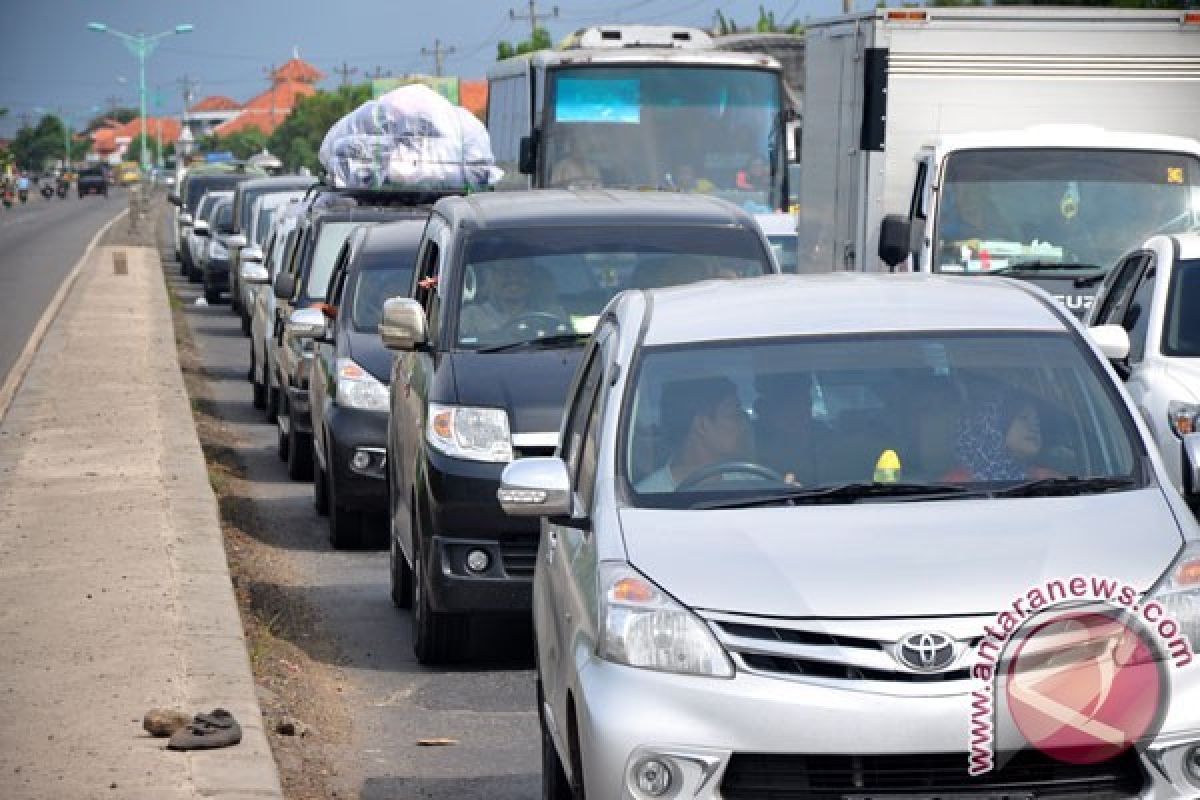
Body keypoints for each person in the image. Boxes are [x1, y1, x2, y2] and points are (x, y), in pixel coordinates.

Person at [636, 377, 754, 492]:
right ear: (701, 425)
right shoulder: (645, 498)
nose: (745, 425)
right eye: (735, 416)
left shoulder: (755, 484)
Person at [943, 394, 1061, 482]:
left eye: (1037, 422)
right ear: (991, 427)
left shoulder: (1052, 483)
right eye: (1024, 418)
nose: (1034, 427)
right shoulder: (953, 486)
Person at [458, 259, 568, 342]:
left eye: (522, 272)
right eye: (506, 272)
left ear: (531, 278)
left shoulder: (553, 314)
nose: (514, 279)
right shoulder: (470, 316)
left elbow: (569, 348)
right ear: (491, 277)